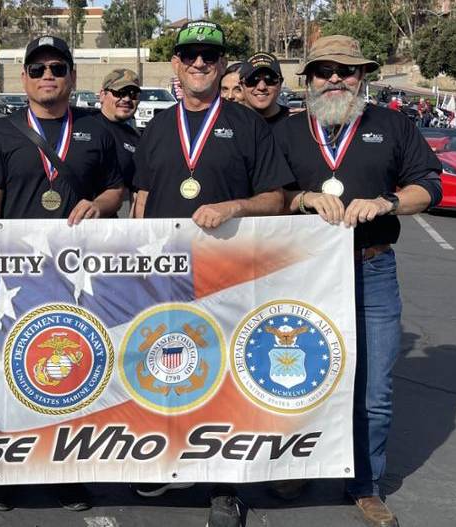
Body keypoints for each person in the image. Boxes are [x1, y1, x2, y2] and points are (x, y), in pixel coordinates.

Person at [275, 34, 441, 527]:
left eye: (346, 71)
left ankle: (365, 484)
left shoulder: (392, 124)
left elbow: (427, 186)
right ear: (308, 79)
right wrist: (303, 198)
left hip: (370, 268)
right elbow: (267, 194)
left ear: (363, 77)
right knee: (297, 379)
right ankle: (297, 466)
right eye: (324, 70)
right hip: (300, 272)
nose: (336, 79)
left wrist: (389, 203)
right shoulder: (285, 132)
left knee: (374, 389)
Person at [131, 21, 293, 527]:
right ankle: (168, 461)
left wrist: (233, 206)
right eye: (190, 55)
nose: (200, 62)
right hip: (164, 276)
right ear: (175, 64)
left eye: (210, 55)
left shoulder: (248, 125)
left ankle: (225, 484)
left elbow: (278, 199)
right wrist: (134, 259)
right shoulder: (157, 126)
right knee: (164, 370)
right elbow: (140, 199)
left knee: (225, 378)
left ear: (222, 65)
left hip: (229, 275)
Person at [0, 35, 123, 511]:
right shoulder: (1, 133)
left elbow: (117, 190)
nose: (47, 77)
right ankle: (6, 471)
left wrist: (98, 205)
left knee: (70, 370)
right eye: (37, 70)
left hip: (77, 277)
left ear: (73, 77)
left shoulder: (97, 130)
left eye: (57, 68)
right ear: (24, 78)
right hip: (15, 278)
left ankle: (66, 471)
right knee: (10, 372)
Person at [97, 68, 142, 199]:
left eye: (133, 94)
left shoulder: (136, 139)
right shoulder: (83, 126)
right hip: (76, 216)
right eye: (119, 93)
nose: (127, 99)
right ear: (102, 95)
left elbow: (136, 188)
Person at [240, 51, 291, 124]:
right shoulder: (229, 122)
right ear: (241, 86)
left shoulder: (296, 122)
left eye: (269, 79)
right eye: (253, 80)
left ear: (280, 84)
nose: (261, 87)